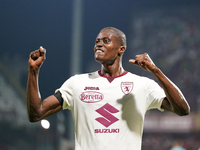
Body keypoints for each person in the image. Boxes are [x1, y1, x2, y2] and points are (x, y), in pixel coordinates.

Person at [26, 27, 190, 150]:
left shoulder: (142, 85)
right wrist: (33, 71)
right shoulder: (76, 83)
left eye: (106, 41)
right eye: (97, 41)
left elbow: (182, 109)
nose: (99, 44)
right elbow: (36, 113)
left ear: (121, 49)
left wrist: (155, 71)